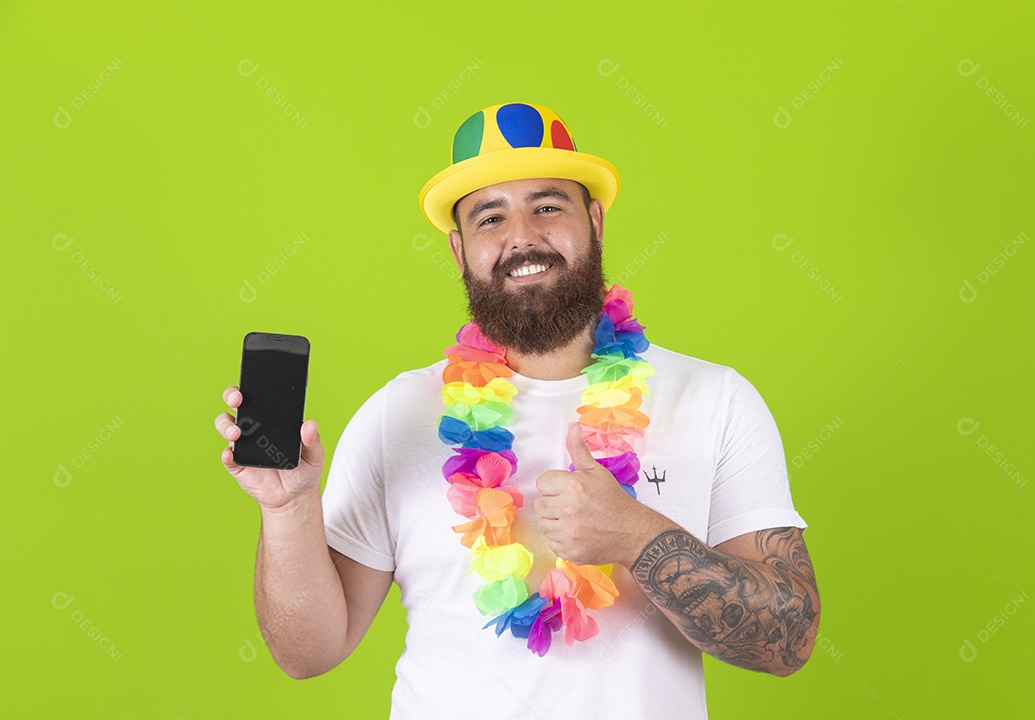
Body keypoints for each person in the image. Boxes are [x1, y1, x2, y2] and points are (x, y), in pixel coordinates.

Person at [215, 101, 820, 718]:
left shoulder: (714, 398)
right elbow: (308, 653)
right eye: (490, 217)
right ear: (459, 251)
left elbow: (789, 640)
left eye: (547, 206)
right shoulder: (397, 413)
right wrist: (287, 511)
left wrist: (639, 537)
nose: (523, 237)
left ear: (595, 221)